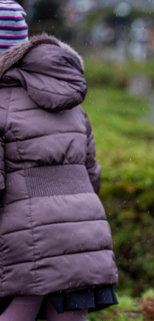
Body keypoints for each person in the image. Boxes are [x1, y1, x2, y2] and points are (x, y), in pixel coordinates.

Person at [0, 1, 118, 320]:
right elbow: (92, 173)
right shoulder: (69, 100)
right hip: (83, 230)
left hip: (24, 235)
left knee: (20, 308)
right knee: (70, 312)